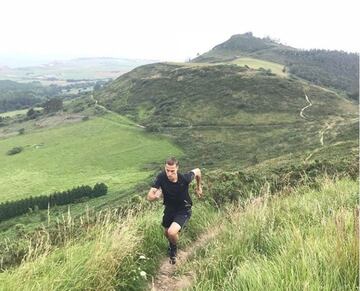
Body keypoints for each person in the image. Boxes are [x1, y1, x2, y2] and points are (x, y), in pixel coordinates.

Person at [147, 157, 202, 264]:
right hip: (169, 209)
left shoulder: (185, 178)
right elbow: (149, 196)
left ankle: (174, 250)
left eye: (172, 171)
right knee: (167, 233)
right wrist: (155, 197)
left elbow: (198, 171)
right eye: (167, 170)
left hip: (184, 209)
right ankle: (172, 244)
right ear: (165, 168)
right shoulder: (161, 177)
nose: (169, 173)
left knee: (172, 233)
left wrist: (199, 187)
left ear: (177, 168)